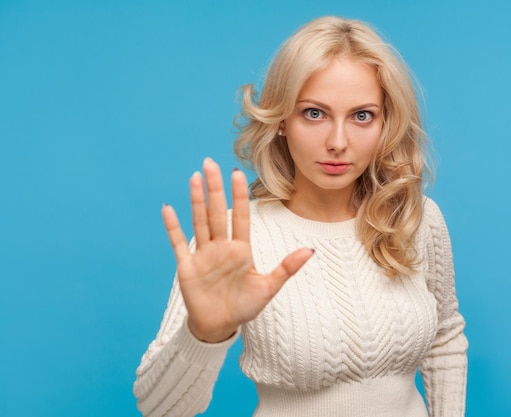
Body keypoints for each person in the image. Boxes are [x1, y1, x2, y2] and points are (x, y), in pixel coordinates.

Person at [133, 15, 468, 417]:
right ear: (280, 121)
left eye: (362, 116)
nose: (338, 142)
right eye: (314, 113)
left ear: (386, 124)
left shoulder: (416, 217)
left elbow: (445, 337)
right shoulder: (235, 238)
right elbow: (157, 408)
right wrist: (204, 336)